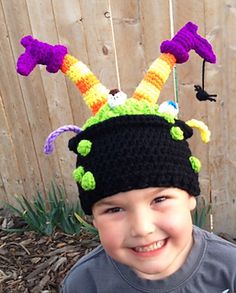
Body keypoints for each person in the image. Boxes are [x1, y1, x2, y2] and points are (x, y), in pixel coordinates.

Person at [17, 22, 236, 292]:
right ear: (94, 218)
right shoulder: (85, 284)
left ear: (191, 196)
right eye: (114, 209)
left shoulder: (230, 270)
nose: (142, 228)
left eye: (160, 199)